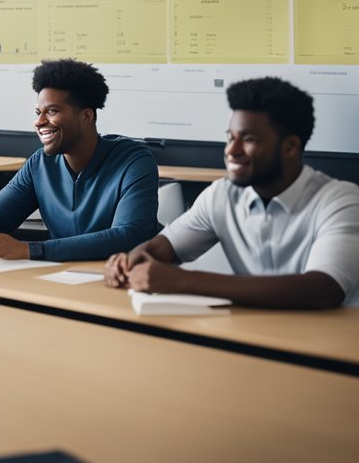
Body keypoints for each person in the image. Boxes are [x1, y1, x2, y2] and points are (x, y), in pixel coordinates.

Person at [106, 77, 359, 308]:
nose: (231, 150)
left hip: (328, 346)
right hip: (249, 336)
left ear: (290, 147)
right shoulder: (221, 195)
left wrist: (183, 281)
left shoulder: (341, 201)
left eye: (248, 139)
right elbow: (161, 249)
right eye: (230, 138)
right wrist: (130, 262)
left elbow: (323, 288)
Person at [0, 58, 159, 261]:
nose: (39, 122)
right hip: (64, 282)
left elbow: (128, 235)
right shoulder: (40, 165)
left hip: (127, 285)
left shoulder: (134, 160)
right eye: (37, 112)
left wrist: (33, 250)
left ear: (86, 116)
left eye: (51, 111)